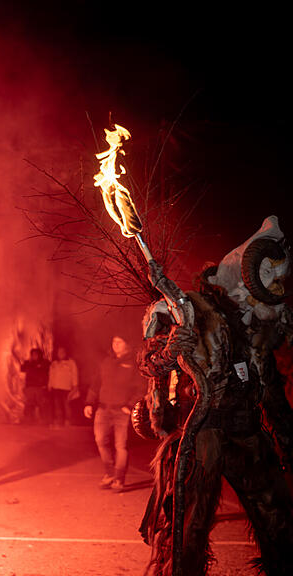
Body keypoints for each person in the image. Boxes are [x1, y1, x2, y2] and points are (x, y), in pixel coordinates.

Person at [137, 216, 293, 575]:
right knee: (187, 535)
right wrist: (170, 351)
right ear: (244, 281)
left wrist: (286, 436)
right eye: (272, 278)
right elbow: (149, 363)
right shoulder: (192, 312)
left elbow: (270, 390)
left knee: (279, 523)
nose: (279, 289)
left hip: (247, 435)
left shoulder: (257, 330)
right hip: (201, 437)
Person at [83, 335, 143, 490]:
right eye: (113, 342)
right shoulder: (106, 362)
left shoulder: (133, 364)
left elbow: (141, 388)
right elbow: (96, 384)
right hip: (103, 409)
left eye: (119, 342)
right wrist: (89, 403)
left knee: (120, 445)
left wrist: (130, 406)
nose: (115, 345)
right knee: (101, 441)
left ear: (127, 345)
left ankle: (119, 478)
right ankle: (109, 473)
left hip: (121, 411)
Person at [48, 347, 78, 427]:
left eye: (62, 352)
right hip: (56, 388)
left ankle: (68, 420)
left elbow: (75, 375)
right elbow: (51, 375)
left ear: (65, 353)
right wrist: (50, 385)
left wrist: (75, 386)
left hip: (67, 388)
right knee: (57, 405)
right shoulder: (54, 363)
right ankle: (59, 420)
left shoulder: (71, 363)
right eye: (59, 352)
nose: (60, 354)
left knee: (67, 405)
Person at [19, 348, 50, 424]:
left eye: (36, 354)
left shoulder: (44, 363)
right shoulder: (28, 363)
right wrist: (25, 362)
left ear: (39, 355)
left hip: (40, 387)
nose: (34, 356)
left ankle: (44, 421)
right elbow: (21, 369)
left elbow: (48, 369)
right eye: (33, 355)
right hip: (30, 387)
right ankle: (29, 420)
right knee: (29, 404)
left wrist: (45, 385)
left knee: (42, 404)